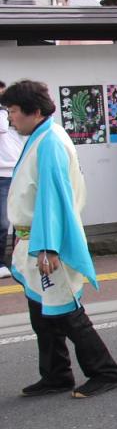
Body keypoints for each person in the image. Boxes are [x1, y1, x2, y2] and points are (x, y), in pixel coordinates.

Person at [3, 80, 117, 398]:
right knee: (42, 313)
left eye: (13, 111)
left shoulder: (50, 142)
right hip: (36, 239)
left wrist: (48, 246)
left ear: (34, 111)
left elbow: (52, 198)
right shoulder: (42, 136)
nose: (10, 118)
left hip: (46, 241)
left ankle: (105, 371)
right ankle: (56, 373)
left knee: (67, 312)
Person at [0, 79, 26, 279]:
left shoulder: (16, 117)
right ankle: (1, 262)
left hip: (18, 172)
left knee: (22, 221)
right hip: (2, 175)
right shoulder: (4, 116)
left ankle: (19, 258)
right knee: (2, 222)